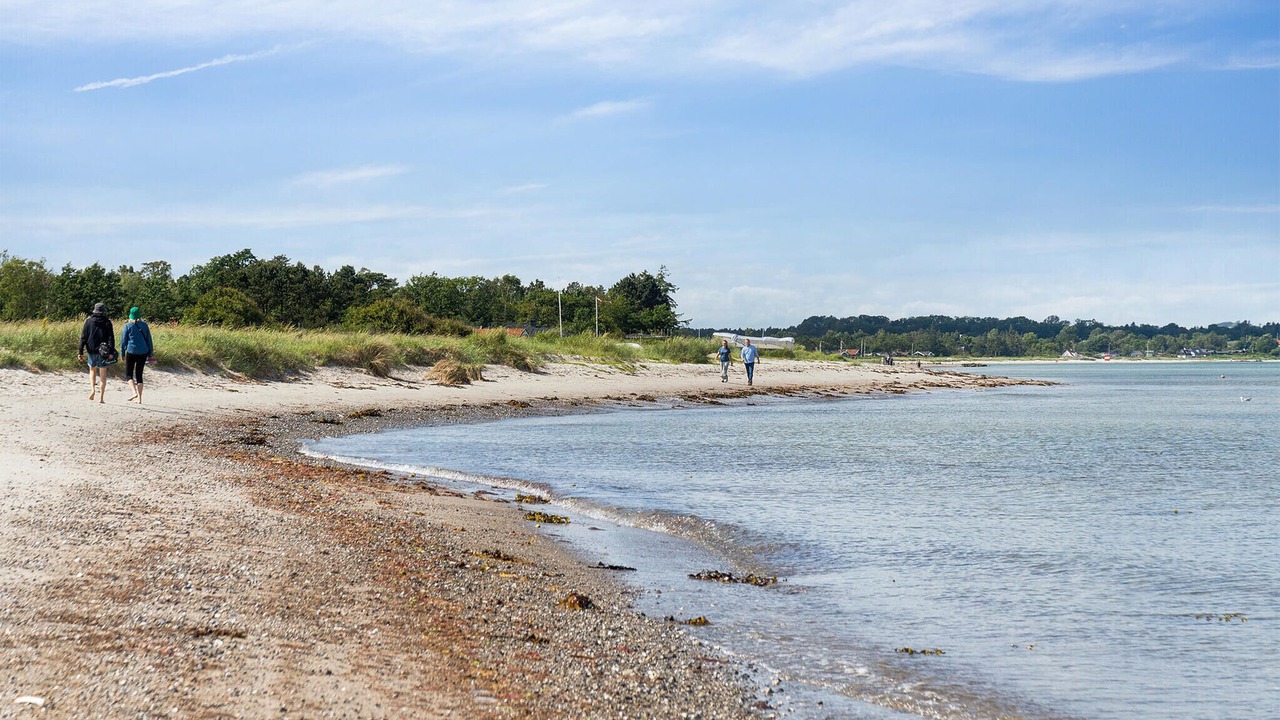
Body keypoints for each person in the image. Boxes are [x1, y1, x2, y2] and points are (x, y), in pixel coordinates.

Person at [76, 302, 115, 404]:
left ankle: (92, 389)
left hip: (91, 349)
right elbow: (111, 338)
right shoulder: (107, 322)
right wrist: (111, 351)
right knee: (103, 374)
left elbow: (83, 337)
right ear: (103, 312)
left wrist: (80, 351)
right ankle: (101, 398)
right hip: (104, 351)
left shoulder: (88, 322)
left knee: (92, 370)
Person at [120, 306, 155, 403]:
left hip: (131, 351)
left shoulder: (127, 326)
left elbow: (123, 341)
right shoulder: (144, 325)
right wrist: (150, 352)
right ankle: (139, 398)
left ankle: (133, 392)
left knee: (129, 374)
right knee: (139, 374)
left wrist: (122, 353)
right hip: (143, 352)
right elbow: (149, 339)